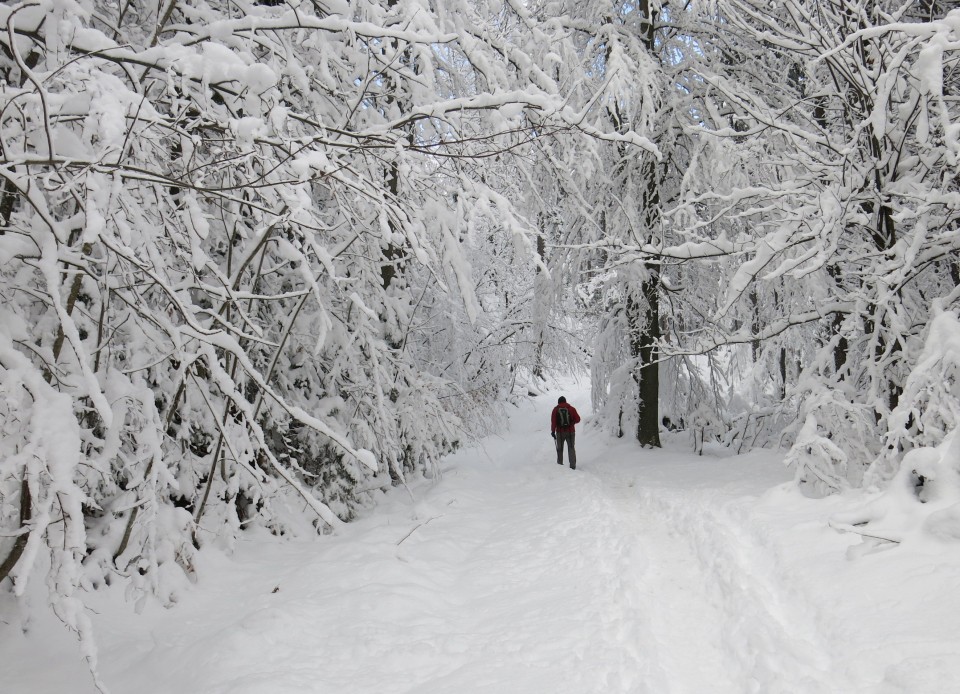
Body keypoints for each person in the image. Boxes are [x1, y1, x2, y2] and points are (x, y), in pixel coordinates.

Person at [550, 396, 581, 469]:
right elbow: (578, 419)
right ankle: (572, 466)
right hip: (570, 432)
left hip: (560, 433)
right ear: (565, 401)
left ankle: (560, 465)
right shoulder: (571, 408)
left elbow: (553, 421)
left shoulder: (555, 409)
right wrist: (572, 422)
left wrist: (553, 431)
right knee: (571, 448)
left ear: (558, 402)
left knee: (560, 449)